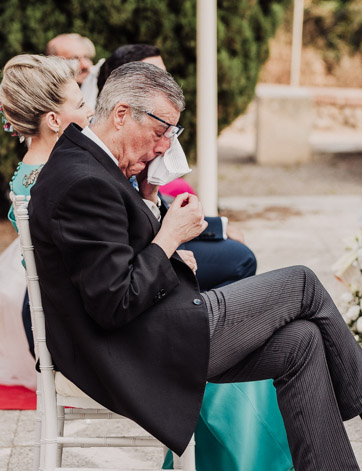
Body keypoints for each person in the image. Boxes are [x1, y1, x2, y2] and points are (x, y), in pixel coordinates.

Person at [28, 62, 362, 471]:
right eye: (161, 131)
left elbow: (117, 264)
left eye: (172, 133)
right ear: (120, 114)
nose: (164, 146)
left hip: (155, 330)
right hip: (135, 351)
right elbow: (114, 302)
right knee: (302, 283)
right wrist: (168, 238)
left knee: (303, 341)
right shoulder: (82, 180)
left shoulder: (91, 166)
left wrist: (154, 213)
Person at [0, 54, 293, 471]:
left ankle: (355, 449)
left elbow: (118, 247)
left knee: (293, 329)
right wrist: (168, 241)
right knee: (271, 280)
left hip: (100, 305)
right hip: (93, 326)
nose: (89, 111)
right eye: (79, 104)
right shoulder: (67, 175)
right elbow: (110, 288)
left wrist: (150, 204)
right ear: (54, 119)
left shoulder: (76, 164)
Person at [95, 44, 257, 292]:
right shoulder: (103, 155)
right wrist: (170, 249)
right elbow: (121, 283)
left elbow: (144, 212)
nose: (164, 147)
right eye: (153, 75)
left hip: (154, 254)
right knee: (246, 261)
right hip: (151, 267)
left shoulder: (130, 148)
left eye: (164, 74)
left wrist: (150, 195)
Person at [45, 33, 103, 110]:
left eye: (86, 57)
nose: (85, 65)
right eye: (74, 59)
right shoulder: (46, 100)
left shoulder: (102, 83)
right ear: (54, 63)